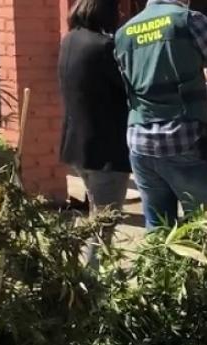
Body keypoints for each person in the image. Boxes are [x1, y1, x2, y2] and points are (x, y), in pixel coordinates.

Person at [113, 0, 207, 231]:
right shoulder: (190, 20)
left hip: (140, 140)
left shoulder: (124, 32)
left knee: (158, 229)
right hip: (184, 137)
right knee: (206, 227)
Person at [59, 0, 132, 266]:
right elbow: (128, 87)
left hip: (77, 146)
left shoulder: (69, 41)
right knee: (104, 224)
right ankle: (92, 284)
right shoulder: (104, 47)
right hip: (106, 151)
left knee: (95, 216)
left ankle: (79, 275)